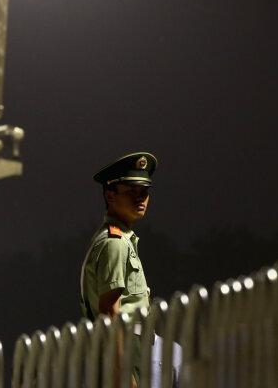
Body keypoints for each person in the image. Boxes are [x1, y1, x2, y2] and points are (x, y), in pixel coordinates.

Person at [81, 152, 177, 388]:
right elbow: (110, 313)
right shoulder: (115, 243)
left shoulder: (121, 240)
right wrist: (125, 377)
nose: (140, 199)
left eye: (144, 192)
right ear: (110, 195)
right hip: (130, 348)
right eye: (131, 192)